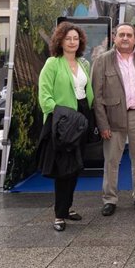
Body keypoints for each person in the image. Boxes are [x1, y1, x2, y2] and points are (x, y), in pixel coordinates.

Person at [92, 22, 135, 216]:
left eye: (130, 35)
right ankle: (110, 199)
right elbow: (97, 96)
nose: (126, 38)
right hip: (113, 117)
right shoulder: (103, 60)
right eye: (122, 35)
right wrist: (103, 124)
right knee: (112, 160)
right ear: (115, 37)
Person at [37, 22, 94, 232]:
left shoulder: (84, 64)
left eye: (76, 39)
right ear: (60, 41)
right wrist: (63, 114)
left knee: (76, 166)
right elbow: (44, 98)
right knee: (63, 168)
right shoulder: (52, 63)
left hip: (80, 119)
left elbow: (87, 92)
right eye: (68, 38)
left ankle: (67, 207)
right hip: (61, 122)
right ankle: (59, 215)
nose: (72, 42)